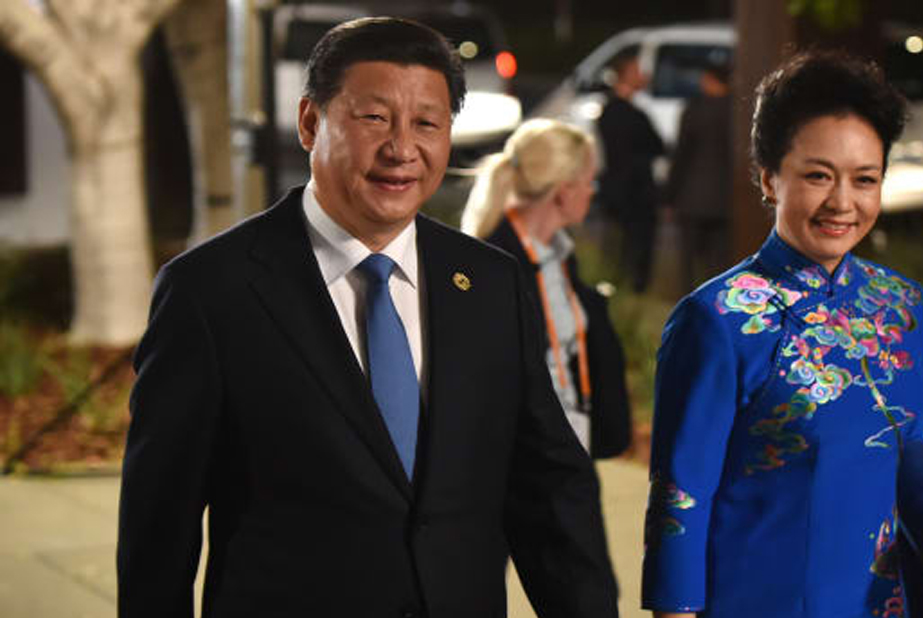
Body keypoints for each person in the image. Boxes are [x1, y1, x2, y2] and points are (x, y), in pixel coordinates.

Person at [117, 17, 618, 618]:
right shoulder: (210, 291)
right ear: (310, 122)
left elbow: (548, 485)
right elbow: (159, 528)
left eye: (427, 123)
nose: (402, 149)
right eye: (375, 118)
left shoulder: (489, 282)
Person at [641, 50, 923, 618]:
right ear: (770, 178)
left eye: (865, 180)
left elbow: (907, 443)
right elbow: (680, 496)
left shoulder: (900, 305)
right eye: (818, 176)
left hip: (883, 603)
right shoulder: (717, 318)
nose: (843, 202)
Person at [461, 119, 632, 459]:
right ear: (564, 191)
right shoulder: (492, 264)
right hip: (522, 458)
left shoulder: (561, 257)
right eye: (589, 181)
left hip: (568, 446)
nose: (593, 191)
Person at [596, 48, 665, 293]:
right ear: (624, 75)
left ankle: (618, 285)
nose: (644, 75)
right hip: (637, 190)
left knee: (618, 246)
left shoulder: (607, 111)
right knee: (635, 246)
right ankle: (633, 288)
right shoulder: (633, 114)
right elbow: (657, 146)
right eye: (637, 71)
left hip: (617, 188)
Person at [666, 56, 733, 288]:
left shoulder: (694, 109)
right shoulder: (737, 111)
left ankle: (687, 299)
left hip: (691, 195)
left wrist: (669, 195)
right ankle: (717, 300)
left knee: (689, 260)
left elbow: (681, 155)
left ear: (708, 80)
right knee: (720, 259)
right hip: (724, 196)